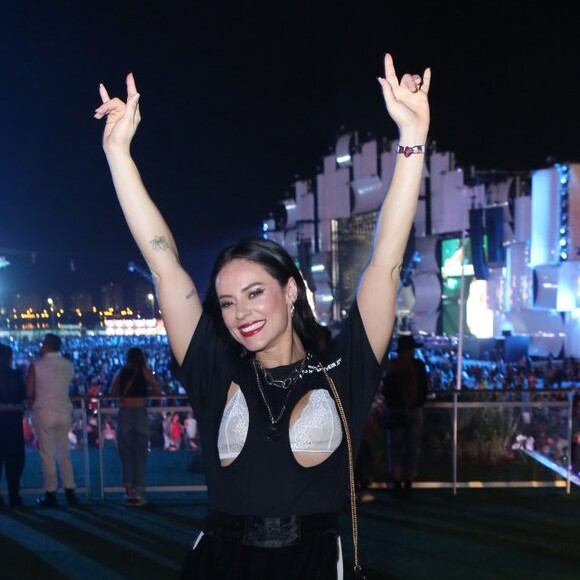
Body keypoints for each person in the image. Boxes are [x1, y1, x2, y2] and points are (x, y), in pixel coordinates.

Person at [95, 51, 430, 579]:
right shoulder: (213, 368)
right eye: (227, 302)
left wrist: (412, 137)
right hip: (221, 563)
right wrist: (118, 154)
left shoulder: (347, 369)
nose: (240, 313)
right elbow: (163, 263)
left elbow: (386, 262)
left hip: (315, 563)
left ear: (291, 290)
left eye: (255, 293)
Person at [25, 333, 78, 507]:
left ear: (47, 346)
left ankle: (51, 493)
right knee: (64, 453)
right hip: (64, 411)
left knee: (47, 455)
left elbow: (29, 393)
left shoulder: (36, 366)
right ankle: (70, 492)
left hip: (44, 412)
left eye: (42, 344)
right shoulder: (68, 365)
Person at [109, 347, 163, 506]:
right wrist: (144, 392)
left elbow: (113, 391)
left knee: (126, 454)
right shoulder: (145, 372)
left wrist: (123, 395)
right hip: (140, 412)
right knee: (140, 454)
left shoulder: (121, 372)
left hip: (124, 413)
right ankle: (137, 493)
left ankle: (127, 491)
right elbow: (158, 391)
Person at [383, 334, 429, 498]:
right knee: (412, 448)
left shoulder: (393, 366)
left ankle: (396, 481)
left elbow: (386, 389)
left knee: (395, 448)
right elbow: (424, 387)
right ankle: (408, 480)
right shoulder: (419, 366)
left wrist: (393, 405)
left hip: (396, 411)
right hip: (414, 410)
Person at [0, 344, 26, 507]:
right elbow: (23, 397)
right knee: (14, 461)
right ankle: (14, 495)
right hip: (13, 423)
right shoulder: (16, 375)